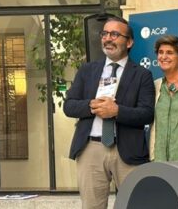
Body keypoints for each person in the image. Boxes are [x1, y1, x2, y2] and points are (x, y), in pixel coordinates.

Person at [63, 16, 155, 209]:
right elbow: (69, 106)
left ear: (129, 42)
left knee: (134, 204)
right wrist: (90, 106)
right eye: (104, 34)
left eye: (115, 34)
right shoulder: (87, 70)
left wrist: (117, 111)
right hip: (91, 149)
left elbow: (147, 113)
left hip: (128, 150)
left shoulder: (142, 75)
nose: (107, 38)